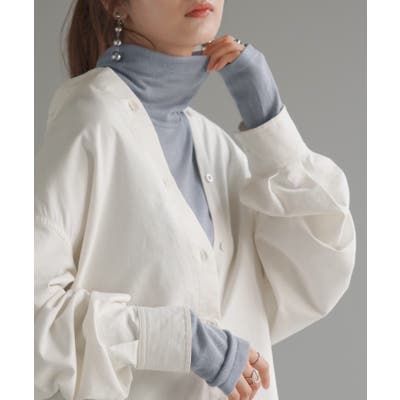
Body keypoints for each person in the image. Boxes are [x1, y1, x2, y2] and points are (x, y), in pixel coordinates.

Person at [34, 1, 357, 400]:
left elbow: (314, 277)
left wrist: (267, 117)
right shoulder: (90, 121)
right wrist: (181, 341)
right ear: (117, 4)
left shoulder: (216, 148)